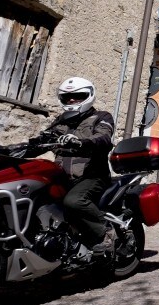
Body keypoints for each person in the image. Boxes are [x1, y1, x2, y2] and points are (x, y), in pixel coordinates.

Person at [27, 77, 115, 257]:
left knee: (74, 201)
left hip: (92, 176)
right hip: (62, 177)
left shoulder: (101, 117)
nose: (72, 100)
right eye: (67, 97)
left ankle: (106, 233)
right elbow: (42, 139)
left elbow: (104, 138)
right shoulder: (61, 121)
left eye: (78, 96)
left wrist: (81, 142)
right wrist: (11, 149)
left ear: (88, 96)